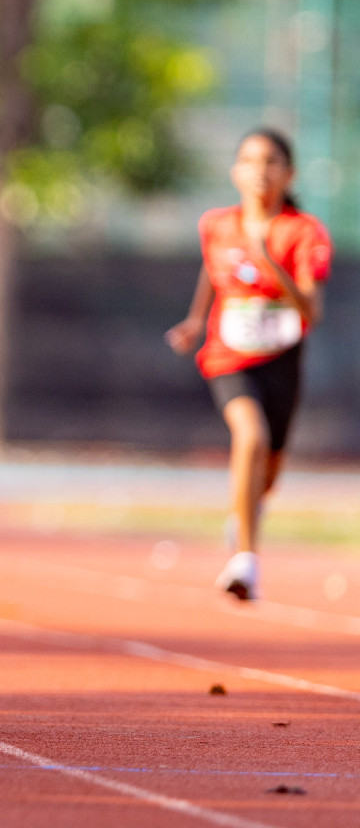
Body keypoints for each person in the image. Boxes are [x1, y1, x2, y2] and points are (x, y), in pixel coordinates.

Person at [166, 129, 330, 601]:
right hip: (228, 355)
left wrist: (270, 266)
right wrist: (197, 320)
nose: (261, 170)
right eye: (250, 160)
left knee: (269, 470)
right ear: (235, 171)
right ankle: (246, 563)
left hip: (281, 359)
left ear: (289, 173)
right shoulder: (217, 224)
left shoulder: (303, 233)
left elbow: (311, 311)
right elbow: (211, 267)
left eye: (272, 161)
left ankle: (243, 512)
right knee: (250, 436)